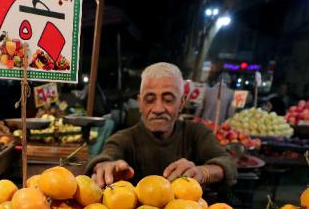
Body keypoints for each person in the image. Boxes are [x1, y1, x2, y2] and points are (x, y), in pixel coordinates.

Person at [87, 62, 237, 188]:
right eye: (150, 99)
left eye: (168, 99)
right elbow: (107, 156)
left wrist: (203, 172)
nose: (158, 109)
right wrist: (104, 166)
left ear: (181, 103)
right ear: (140, 103)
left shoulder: (196, 133)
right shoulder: (123, 139)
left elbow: (227, 163)